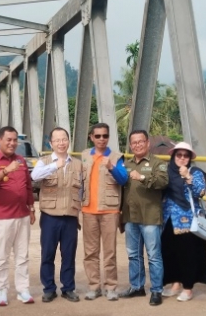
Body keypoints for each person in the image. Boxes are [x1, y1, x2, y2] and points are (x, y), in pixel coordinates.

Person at [0, 126, 36, 306]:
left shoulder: (21, 160)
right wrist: (6, 170)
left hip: (23, 215)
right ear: (0, 141)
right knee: (2, 256)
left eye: (15, 140)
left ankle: (23, 289)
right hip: (4, 217)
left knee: (22, 255)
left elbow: (28, 186)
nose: (12, 143)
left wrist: (32, 208)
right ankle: (2, 290)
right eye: (9, 140)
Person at [31, 127, 84, 303]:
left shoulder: (78, 164)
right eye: (57, 140)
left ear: (69, 141)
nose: (61, 143)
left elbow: (83, 189)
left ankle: (68, 288)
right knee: (48, 254)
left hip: (70, 216)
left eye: (64, 139)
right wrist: (55, 165)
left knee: (68, 254)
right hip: (50, 217)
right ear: (51, 143)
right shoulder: (44, 161)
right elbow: (35, 176)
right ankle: (49, 289)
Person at [119, 130, 168, 306]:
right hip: (131, 216)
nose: (138, 145)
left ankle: (156, 290)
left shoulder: (157, 163)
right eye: (134, 142)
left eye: (141, 142)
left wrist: (142, 177)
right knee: (133, 255)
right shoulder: (126, 164)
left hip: (150, 217)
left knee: (154, 255)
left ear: (148, 143)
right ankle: (137, 286)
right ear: (131, 145)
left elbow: (162, 182)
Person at [79, 123, 128, 301]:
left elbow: (123, 180)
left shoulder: (116, 157)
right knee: (90, 252)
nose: (101, 139)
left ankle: (111, 287)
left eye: (105, 136)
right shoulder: (84, 156)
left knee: (110, 252)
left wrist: (111, 167)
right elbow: (80, 184)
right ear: (91, 137)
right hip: (88, 210)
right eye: (97, 136)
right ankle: (94, 286)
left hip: (109, 211)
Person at [160, 142, 206, 302]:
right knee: (171, 253)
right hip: (168, 218)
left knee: (187, 255)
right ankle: (175, 284)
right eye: (179, 155)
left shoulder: (195, 172)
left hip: (188, 220)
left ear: (190, 158)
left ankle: (188, 288)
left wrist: (188, 177)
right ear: (173, 156)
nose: (182, 158)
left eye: (185, 155)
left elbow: (200, 192)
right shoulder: (167, 171)